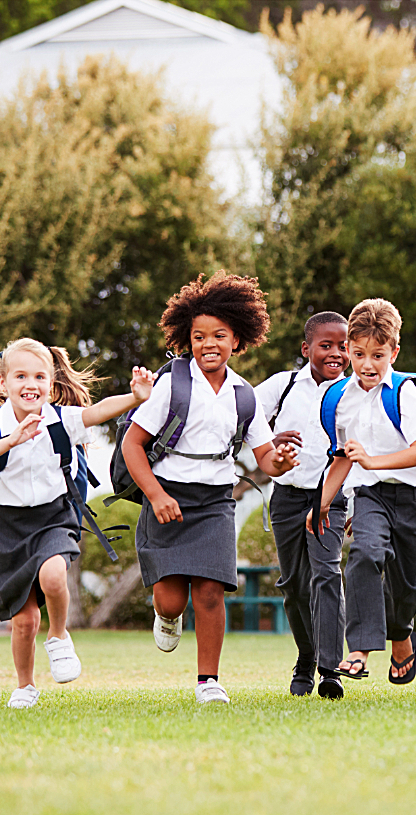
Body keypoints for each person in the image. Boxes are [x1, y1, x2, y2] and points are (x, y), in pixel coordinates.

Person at [123, 271, 299, 705]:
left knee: (210, 590)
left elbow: (264, 459)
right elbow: (132, 444)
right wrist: (157, 495)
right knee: (170, 599)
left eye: (219, 335)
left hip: (215, 500)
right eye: (199, 336)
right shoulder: (173, 383)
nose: (209, 344)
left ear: (237, 340)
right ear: (188, 339)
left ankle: (208, 682)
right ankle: (166, 617)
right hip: (167, 496)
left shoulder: (244, 395)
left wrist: (281, 460)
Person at [0, 338, 155, 709]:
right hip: (6, 525)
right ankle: (25, 686)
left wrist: (135, 397)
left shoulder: (61, 419)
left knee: (52, 577)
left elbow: (97, 412)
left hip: (53, 515)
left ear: (50, 383)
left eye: (39, 376)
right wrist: (11, 441)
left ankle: (60, 635)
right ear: (3, 383)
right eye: (20, 376)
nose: (29, 384)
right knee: (25, 620)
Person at [306, 298, 416, 686]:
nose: (367, 364)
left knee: (404, 583)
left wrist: (372, 460)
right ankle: (359, 649)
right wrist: (321, 502)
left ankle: (401, 635)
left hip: (414, 497)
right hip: (371, 496)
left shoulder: (406, 393)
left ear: (393, 352)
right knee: (364, 554)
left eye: (378, 355)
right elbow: (344, 458)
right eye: (359, 353)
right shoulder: (340, 398)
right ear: (348, 350)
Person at [254, 312, 350, 699]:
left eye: (343, 346)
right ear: (306, 348)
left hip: (331, 497)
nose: (336, 354)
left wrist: (350, 503)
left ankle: (330, 670)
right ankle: (306, 658)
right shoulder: (284, 384)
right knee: (294, 587)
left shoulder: (355, 392)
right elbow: (246, 417)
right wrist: (270, 439)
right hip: (287, 498)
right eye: (326, 345)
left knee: (327, 575)